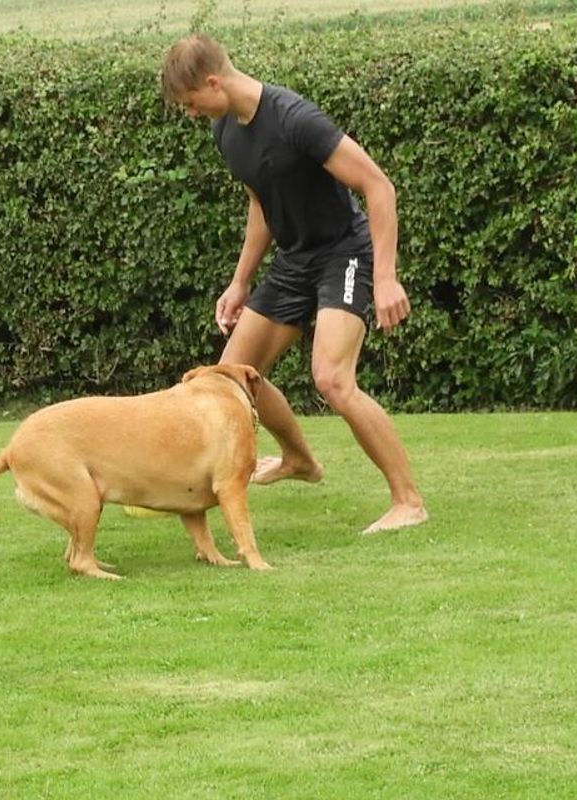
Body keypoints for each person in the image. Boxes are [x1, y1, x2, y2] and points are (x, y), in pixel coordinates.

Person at [161, 34, 427, 533]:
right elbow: (261, 207)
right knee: (231, 377)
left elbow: (378, 186)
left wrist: (385, 277)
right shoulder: (226, 131)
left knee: (331, 378)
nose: (192, 114)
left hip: (343, 253)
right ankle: (300, 461)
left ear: (213, 82)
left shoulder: (294, 119)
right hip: (295, 259)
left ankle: (408, 500)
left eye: (192, 103)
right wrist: (240, 283)